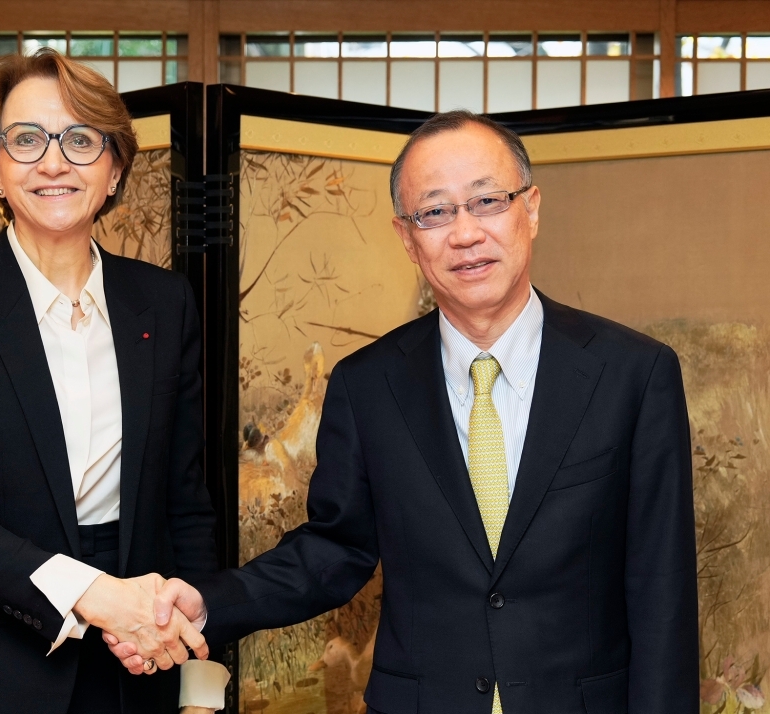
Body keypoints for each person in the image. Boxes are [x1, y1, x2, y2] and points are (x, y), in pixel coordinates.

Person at [133, 111, 700, 712]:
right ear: (407, 237)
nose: (465, 233)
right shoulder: (367, 385)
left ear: (530, 208)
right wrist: (211, 603)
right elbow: (334, 550)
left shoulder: (633, 374)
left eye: (487, 201)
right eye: (434, 211)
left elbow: (660, 586)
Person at [0, 48, 227, 714]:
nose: (52, 163)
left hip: (139, 652)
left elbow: (186, 503)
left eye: (80, 140)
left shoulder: (164, 302)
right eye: (25, 140)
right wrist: (96, 596)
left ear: (115, 169)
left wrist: (195, 667)